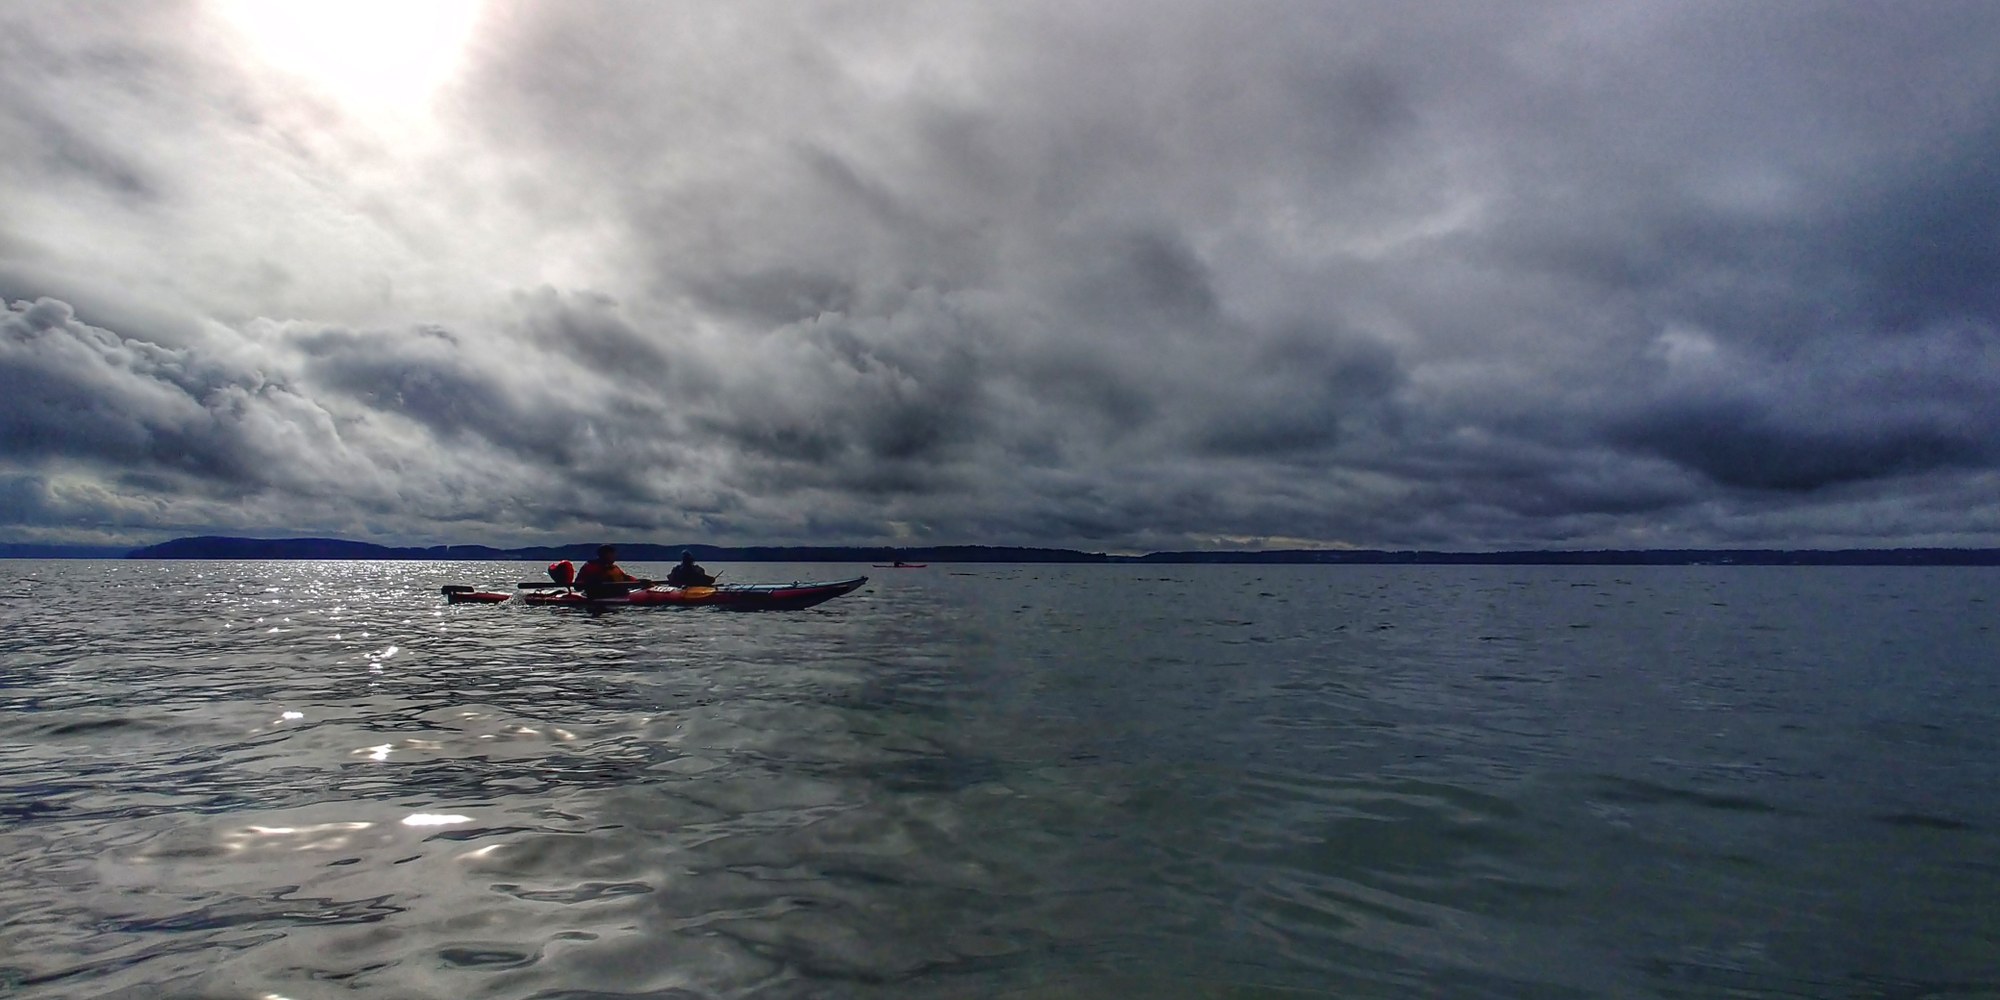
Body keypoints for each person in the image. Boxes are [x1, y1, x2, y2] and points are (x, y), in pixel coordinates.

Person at [573, 544, 650, 598]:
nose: (614, 557)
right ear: (604, 555)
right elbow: (578, 586)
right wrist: (591, 582)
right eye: (612, 554)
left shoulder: (613, 567)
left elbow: (625, 578)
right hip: (600, 596)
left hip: (618, 594)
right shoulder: (590, 567)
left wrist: (639, 582)